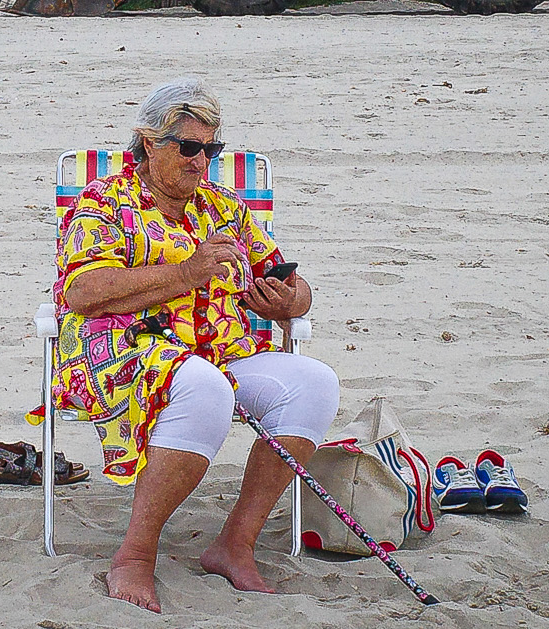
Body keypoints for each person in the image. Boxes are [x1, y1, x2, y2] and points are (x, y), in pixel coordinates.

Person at [54, 78, 337, 613]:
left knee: (315, 385)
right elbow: (82, 290)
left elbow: (294, 285)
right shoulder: (103, 202)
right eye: (188, 147)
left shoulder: (223, 207)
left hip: (219, 351)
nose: (201, 160)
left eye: (212, 148)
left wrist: (286, 300)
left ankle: (235, 544)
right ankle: (135, 554)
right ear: (147, 144)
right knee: (204, 387)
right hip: (123, 349)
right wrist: (187, 271)